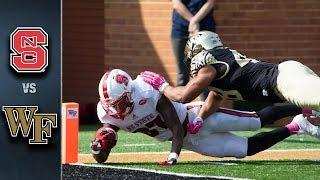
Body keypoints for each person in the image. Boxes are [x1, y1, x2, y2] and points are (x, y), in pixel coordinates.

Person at [90, 69, 320, 165]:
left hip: (196, 118)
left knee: (254, 120)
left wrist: (173, 156)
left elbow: (175, 126)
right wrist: (99, 148)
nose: (115, 109)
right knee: (245, 150)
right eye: (111, 105)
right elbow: (102, 154)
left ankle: (303, 107)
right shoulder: (108, 113)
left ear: (130, 94)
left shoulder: (146, 92)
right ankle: (296, 126)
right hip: (192, 141)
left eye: (119, 103)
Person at [140, 31, 320, 133]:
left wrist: (162, 85)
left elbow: (184, 96)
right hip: (286, 76)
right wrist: (201, 117)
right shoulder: (218, 67)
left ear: (198, 49)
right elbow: (217, 94)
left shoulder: (207, 63)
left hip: (283, 81)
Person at [171, 0, 216, 100]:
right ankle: (179, 110)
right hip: (180, 31)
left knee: (205, 73)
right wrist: (193, 21)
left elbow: (211, 2)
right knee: (182, 76)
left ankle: (205, 110)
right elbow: (176, 3)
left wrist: (194, 21)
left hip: (205, 30)